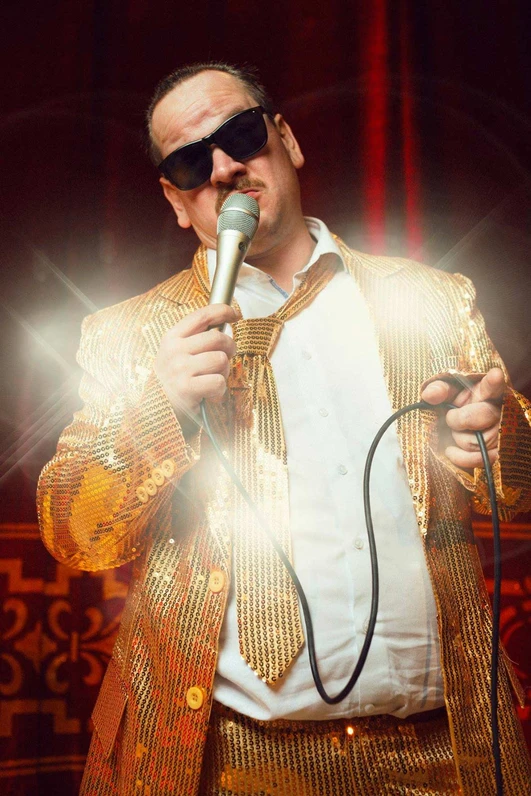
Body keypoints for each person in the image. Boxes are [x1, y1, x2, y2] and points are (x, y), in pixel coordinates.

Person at [37, 62, 531, 795]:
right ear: (176, 202)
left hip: (447, 754)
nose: (224, 169)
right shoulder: (131, 333)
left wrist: (493, 441)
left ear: (287, 141)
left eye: (241, 135)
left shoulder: (430, 300)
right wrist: (159, 409)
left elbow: (519, 480)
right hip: (226, 760)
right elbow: (75, 533)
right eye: (190, 163)